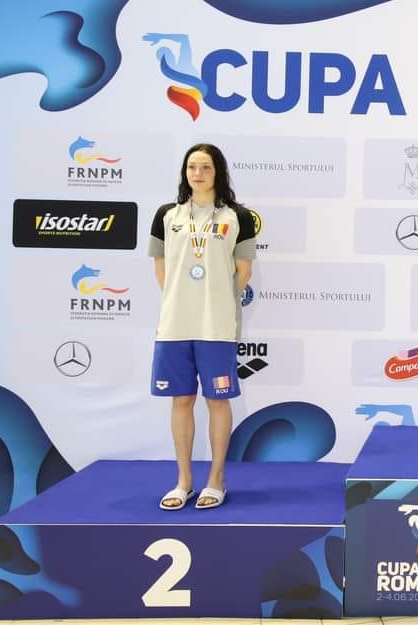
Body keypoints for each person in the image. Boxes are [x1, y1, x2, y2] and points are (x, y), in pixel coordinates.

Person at [149, 143, 256, 510]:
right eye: (192, 166)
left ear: (218, 172)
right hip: (175, 325)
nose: (198, 173)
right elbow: (161, 269)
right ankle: (184, 482)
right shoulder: (167, 215)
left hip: (216, 326)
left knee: (217, 400)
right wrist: (182, 299)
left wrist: (216, 301)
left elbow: (243, 272)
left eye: (206, 167)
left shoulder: (237, 216)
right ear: (185, 172)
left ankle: (216, 480)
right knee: (181, 399)